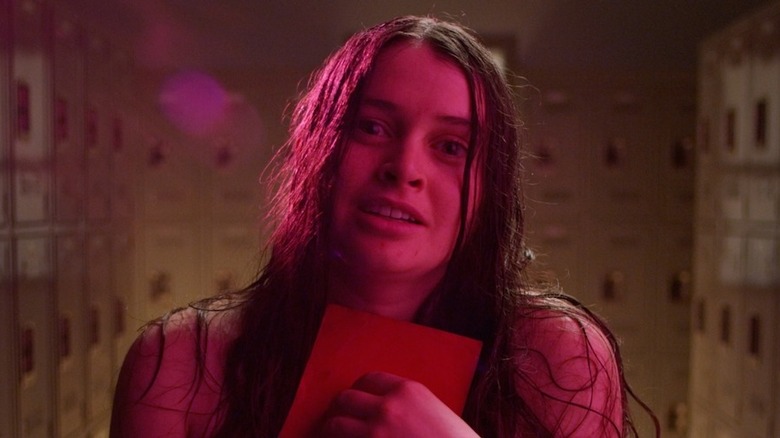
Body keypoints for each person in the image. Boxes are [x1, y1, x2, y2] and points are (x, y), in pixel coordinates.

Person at [111, 15, 657, 437]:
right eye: (372, 127)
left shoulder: (556, 359)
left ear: (489, 192)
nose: (405, 168)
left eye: (451, 147)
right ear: (318, 152)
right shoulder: (181, 366)